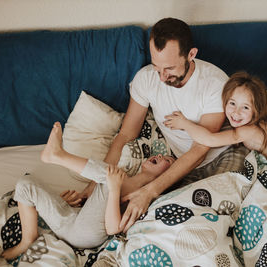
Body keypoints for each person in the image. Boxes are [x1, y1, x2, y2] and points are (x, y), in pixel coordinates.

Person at [62, 17, 249, 232]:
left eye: (169, 68)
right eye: (156, 66)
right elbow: (125, 135)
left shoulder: (214, 84)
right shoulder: (146, 80)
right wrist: (95, 186)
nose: (161, 77)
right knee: (120, 210)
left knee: (210, 220)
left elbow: (200, 149)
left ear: (191, 54)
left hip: (219, 157)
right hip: (179, 163)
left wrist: (150, 191)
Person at [2, 122, 175, 260]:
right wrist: (65, 204)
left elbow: (114, 228)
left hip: (88, 235)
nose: (160, 156)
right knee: (25, 185)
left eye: (166, 160)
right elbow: (95, 204)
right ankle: (27, 240)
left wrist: (114, 190)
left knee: (112, 175)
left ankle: (57, 155)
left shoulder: (145, 195)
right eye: (161, 155)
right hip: (72, 221)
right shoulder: (126, 177)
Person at [164, 71, 267, 159]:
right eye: (232, 103)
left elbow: (210, 139)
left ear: (257, 110)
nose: (236, 112)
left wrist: (185, 124)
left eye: (245, 107)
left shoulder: (249, 131)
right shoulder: (255, 120)